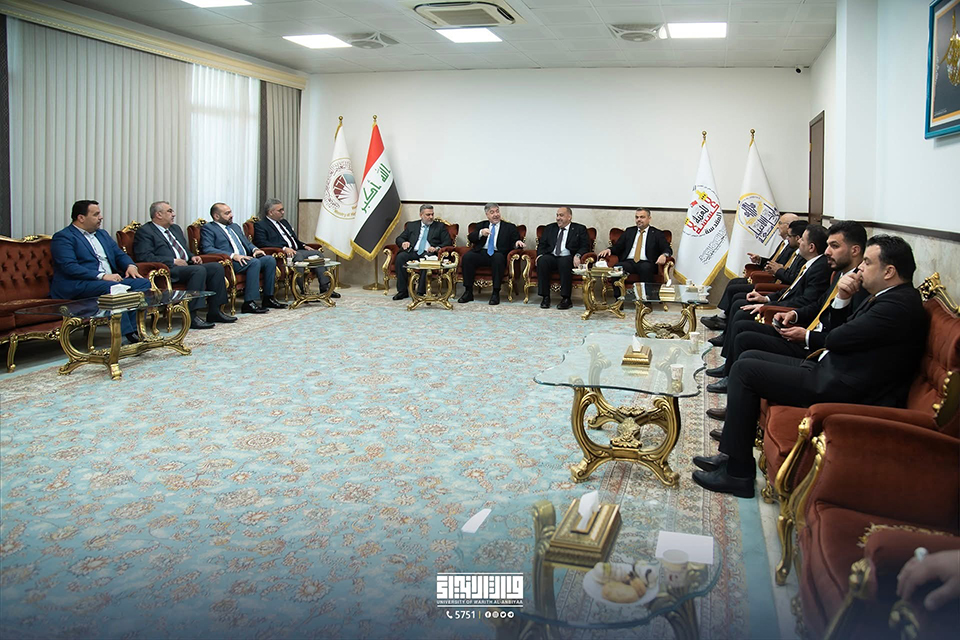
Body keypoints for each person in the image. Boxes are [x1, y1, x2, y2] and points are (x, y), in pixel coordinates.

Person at [693, 235, 928, 498]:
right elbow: (841, 334)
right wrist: (842, 301)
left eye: (867, 263)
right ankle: (730, 457)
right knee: (748, 359)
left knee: (746, 371)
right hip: (833, 369)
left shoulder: (896, 306)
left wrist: (842, 299)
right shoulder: (889, 298)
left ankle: (738, 474)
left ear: (889, 271)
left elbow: (836, 337)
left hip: (843, 385)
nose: (860, 268)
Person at [703, 221, 868, 430]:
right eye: (827, 245)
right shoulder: (842, 275)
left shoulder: (859, 288)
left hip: (816, 352)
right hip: (808, 336)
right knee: (745, 338)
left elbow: (840, 335)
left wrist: (805, 334)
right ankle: (736, 403)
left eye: (834, 246)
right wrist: (794, 314)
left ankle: (736, 417)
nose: (827, 251)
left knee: (746, 346)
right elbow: (818, 304)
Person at [706, 223, 830, 355]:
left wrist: (768, 305)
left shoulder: (820, 268)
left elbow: (803, 299)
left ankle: (727, 347)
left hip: (788, 314)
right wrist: (766, 299)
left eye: (802, 239)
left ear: (811, 247)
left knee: (741, 313)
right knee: (739, 303)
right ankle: (727, 341)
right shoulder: (810, 262)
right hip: (782, 302)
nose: (799, 241)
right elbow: (792, 289)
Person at [50, 200, 152, 344]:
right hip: (80, 283)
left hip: (108, 281)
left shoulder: (102, 234)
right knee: (115, 288)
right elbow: (69, 266)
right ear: (81, 218)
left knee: (143, 283)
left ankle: (137, 329)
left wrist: (130, 265)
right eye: (96, 214)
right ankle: (125, 335)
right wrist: (102, 276)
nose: (101, 217)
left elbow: (119, 254)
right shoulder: (64, 237)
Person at [133, 201, 234, 328]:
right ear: (158, 214)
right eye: (169, 211)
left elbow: (184, 250)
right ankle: (191, 316)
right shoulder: (145, 231)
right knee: (198, 271)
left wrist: (193, 256)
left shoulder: (175, 229)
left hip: (186, 266)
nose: (173, 214)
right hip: (168, 269)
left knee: (216, 267)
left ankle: (215, 311)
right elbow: (144, 256)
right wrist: (172, 261)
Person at [702, 214, 799, 330]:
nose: (777, 226)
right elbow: (773, 262)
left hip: (773, 284)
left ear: (788, 226)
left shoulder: (794, 249)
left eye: (780, 223)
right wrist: (760, 260)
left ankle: (724, 320)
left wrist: (778, 270)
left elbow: (786, 274)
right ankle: (723, 317)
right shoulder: (784, 244)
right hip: (769, 279)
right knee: (734, 283)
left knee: (736, 292)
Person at [200, 203, 287, 314]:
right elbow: (207, 248)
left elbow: (247, 243)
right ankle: (249, 303)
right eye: (227, 213)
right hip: (230, 262)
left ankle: (268, 298)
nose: (231, 215)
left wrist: (255, 249)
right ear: (216, 216)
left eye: (230, 212)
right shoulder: (209, 228)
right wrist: (233, 255)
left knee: (269, 260)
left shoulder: (235, 227)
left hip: (246, 258)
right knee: (254, 263)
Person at [253, 199, 339, 299]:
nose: (283, 212)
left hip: (297, 250)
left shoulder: (284, 222)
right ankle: (302, 290)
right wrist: (283, 248)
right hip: (282, 255)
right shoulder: (261, 225)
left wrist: (304, 245)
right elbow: (262, 243)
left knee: (317, 254)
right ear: (270, 212)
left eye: (283, 209)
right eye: (280, 210)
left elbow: (293, 239)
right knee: (298, 256)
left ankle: (325, 288)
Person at [458, 203, 525, 306]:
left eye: (497, 211)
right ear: (487, 215)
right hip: (481, 252)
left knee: (498, 258)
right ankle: (468, 292)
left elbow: (514, 241)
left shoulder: (509, 227)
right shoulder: (481, 225)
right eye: (492, 212)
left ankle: (495, 293)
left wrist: (517, 243)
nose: (496, 215)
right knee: (467, 257)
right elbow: (471, 238)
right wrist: (480, 233)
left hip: (498, 253)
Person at [391, 204, 452, 300]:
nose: (431, 217)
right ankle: (402, 291)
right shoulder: (412, 225)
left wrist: (436, 248)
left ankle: (421, 292)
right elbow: (399, 238)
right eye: (428, 215)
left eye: (432, 214)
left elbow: (448, 242)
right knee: (400, 257)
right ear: (421, 215)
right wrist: (403, 242)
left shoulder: (440, 226)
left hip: (428, 253)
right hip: (413, 251)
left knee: (426, 261)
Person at [597, 208, 672, 282]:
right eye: (637, 217)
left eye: (642, 217)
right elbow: (618, 247)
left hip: (647, 262)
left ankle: (645, 290)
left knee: (645, 267)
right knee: (618, 268)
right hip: (629, 262)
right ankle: (618, 290)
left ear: (649, 219)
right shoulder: (629, 231)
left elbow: (667, 248)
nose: (639, 219)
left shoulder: (657, 233)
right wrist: (609, 250)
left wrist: (664, 255)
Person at [537, 207, 590, 310]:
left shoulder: (579, 229)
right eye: (557, 215)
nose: (558, 218)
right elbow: (542, 245)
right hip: (552, 256)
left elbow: (585, 246)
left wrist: (578, 255)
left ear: (569, 217)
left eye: (561, 215)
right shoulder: (550, 228)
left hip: (568, 257)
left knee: (564, 261)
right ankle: (545, 297)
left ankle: (566, 299)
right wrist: (539, 255)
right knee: (543, 261)